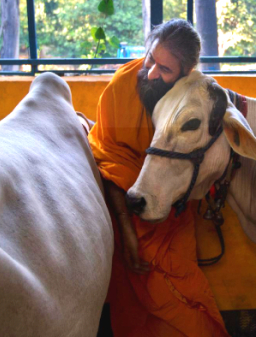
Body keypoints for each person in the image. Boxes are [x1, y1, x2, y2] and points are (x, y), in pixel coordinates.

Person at [88, 19, 229, 337]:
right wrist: (126, 231)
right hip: (125, 209)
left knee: (184, 293)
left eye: (164, 69)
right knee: (135, 306)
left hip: (172, 218)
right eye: (151, 58)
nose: (151, 72)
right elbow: (109, 161)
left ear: (187, 71)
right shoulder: (122, 87)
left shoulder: (192, 95)